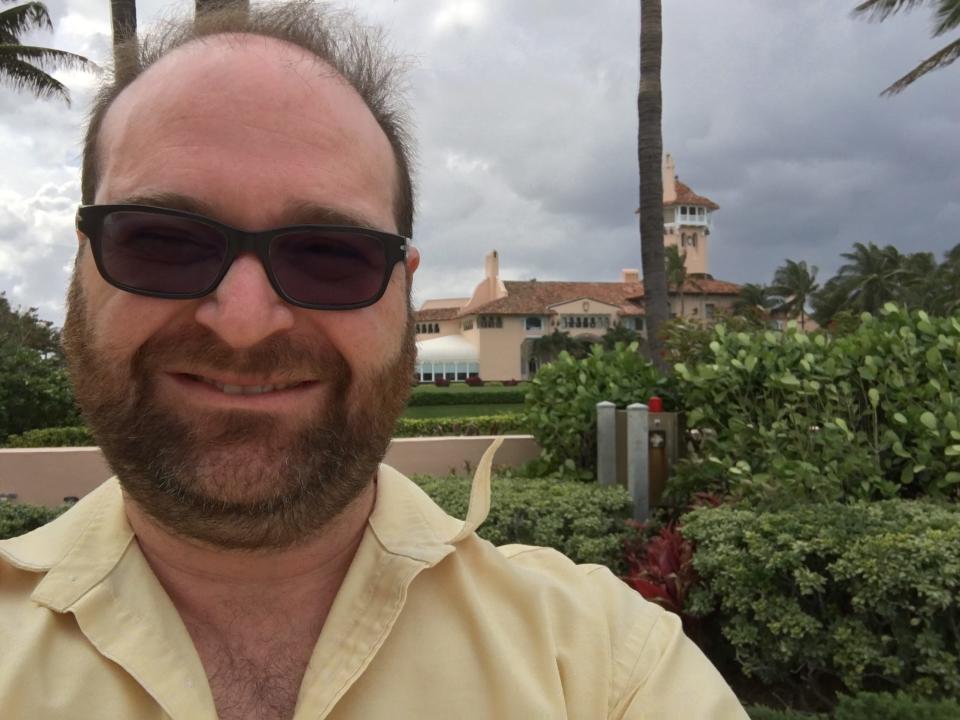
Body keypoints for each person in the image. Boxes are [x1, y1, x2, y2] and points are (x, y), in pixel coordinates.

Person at [0, 3, 748, 718]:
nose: (245, 324)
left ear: (405, 292)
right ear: (81, 267)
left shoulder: (603, 669)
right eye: (161, 241)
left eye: (330, 255)